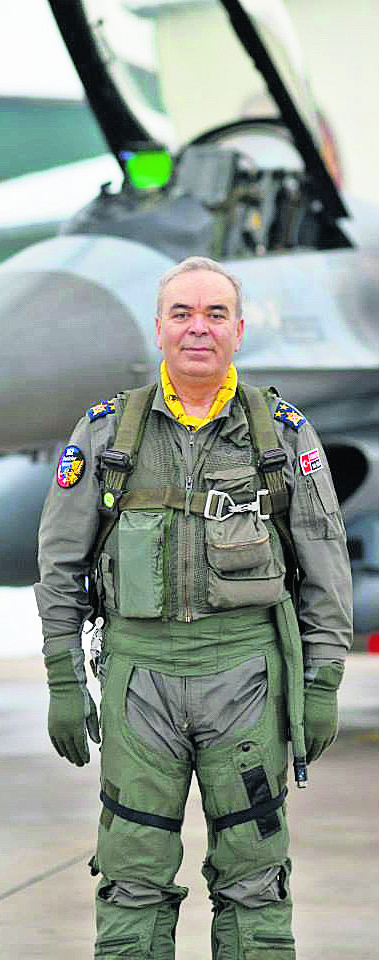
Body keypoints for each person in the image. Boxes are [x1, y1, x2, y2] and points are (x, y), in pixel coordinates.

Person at [34, 256, 352, 960]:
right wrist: (62, 680)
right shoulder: (106, 434)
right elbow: (58, 566)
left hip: (246, 681)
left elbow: (325, 566)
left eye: (214, 314)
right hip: (139, 685)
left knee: (254, 879)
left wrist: (323, 682)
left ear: (238, 330)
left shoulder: (281, 436)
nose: (197, 328)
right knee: (131, 878)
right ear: (159, 329)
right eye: (181, 314)